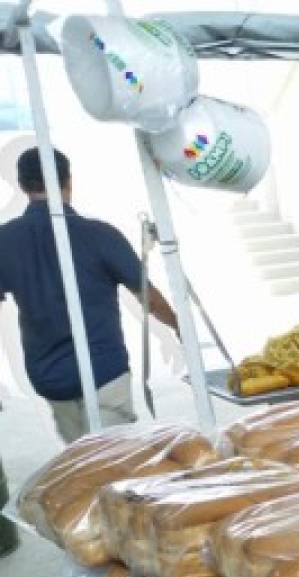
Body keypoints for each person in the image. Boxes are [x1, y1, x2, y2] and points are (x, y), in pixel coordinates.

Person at [0, 147, 178, 444]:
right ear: (68, 181)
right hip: (104, 371)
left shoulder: (5, 241)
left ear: (22, 185)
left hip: (50, 377)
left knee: (82, 461)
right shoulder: (99, 234)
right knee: (114, 462)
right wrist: (178, 326)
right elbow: (150, 298)